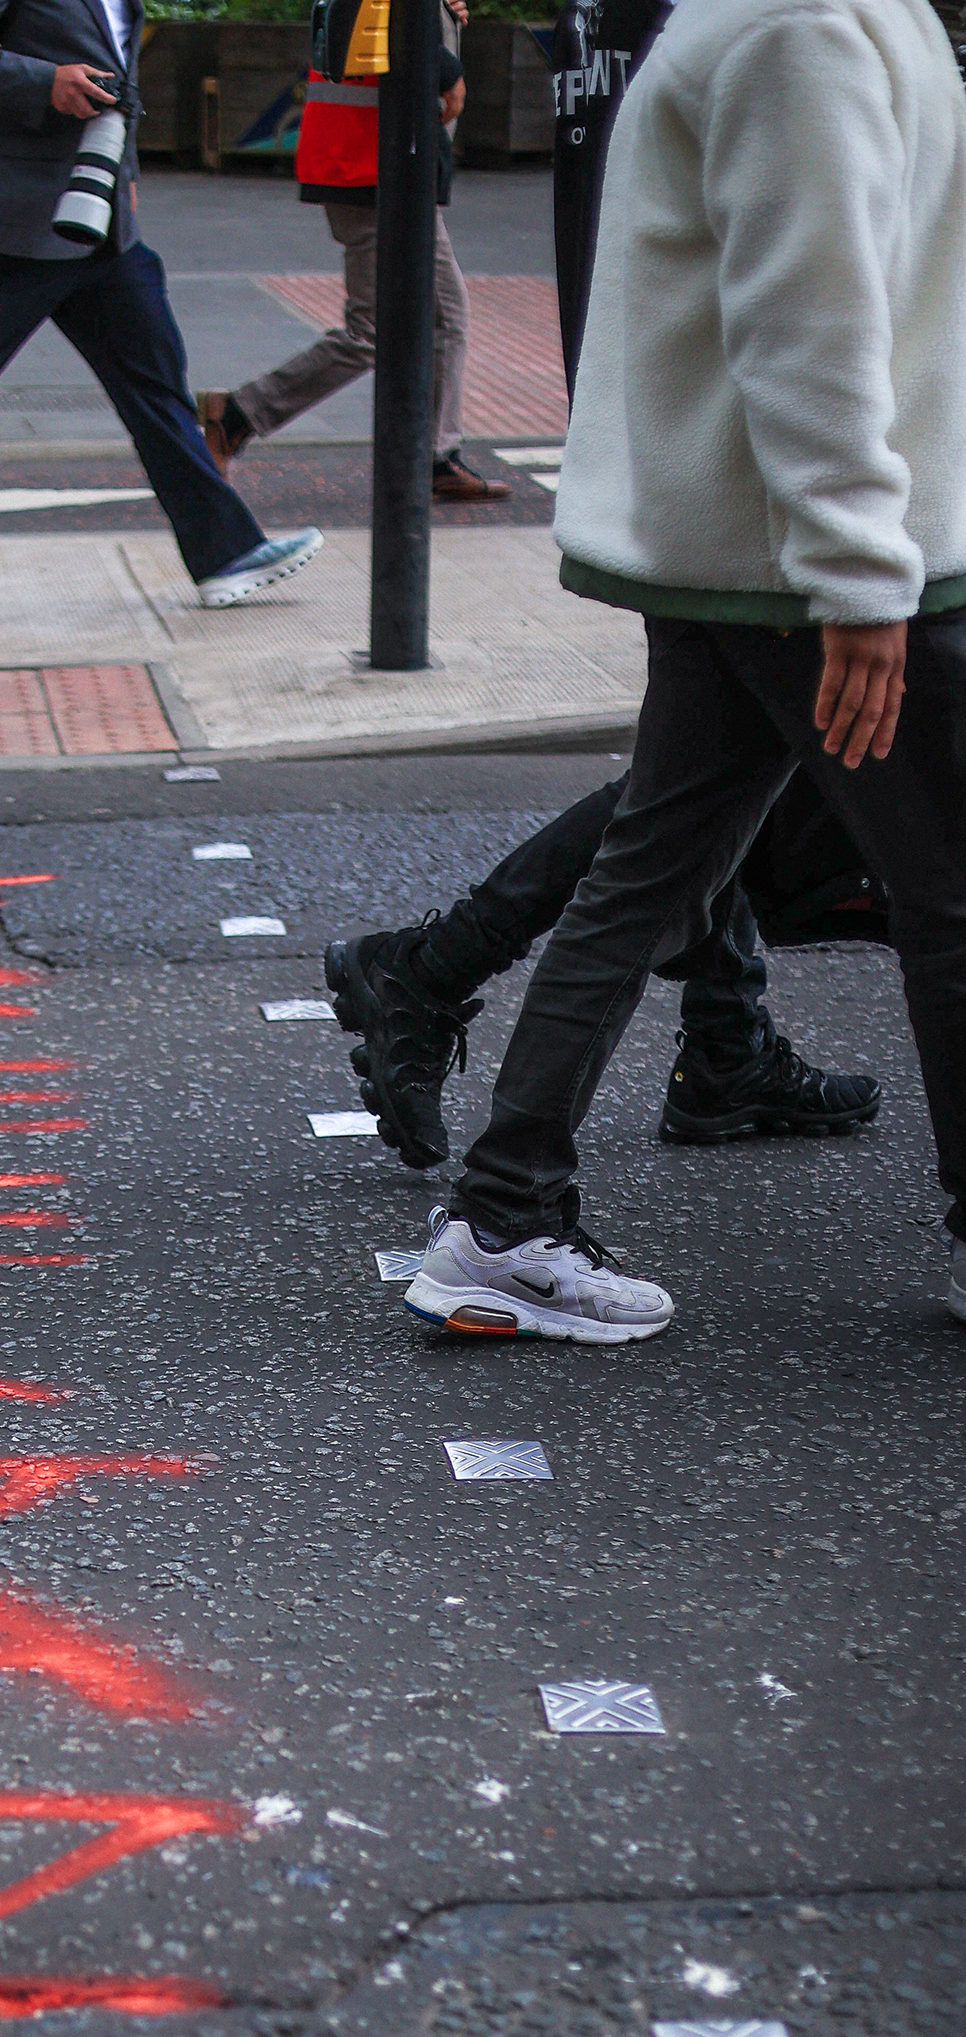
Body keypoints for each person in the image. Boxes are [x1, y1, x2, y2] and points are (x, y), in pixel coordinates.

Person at [400, 0, 966, 1346]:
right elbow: (805, 315)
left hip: (750, 549)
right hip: (800, 565)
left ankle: (502, 1221)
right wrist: (860, 577)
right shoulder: (803, 28)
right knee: (952, 894)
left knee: (651, 871)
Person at [319, 0, 881, 1169]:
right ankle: (490, 1095)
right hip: (749, 456)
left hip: (689, 431)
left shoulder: (655, 21)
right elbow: (803, 270)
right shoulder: (765, 28)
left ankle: (699, 1044)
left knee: (715, 776)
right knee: (729, 789)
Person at [0, 0, 321, 626]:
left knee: (155, 390)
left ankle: (226, 555)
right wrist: (44, 81)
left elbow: (116, 74)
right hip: (14, 217)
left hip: (98, 213)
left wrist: (124, 174)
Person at [196, 0, 508, 506]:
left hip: (378, 161)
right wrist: (445, 64)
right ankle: (237, 414)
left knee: (443, 315)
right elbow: (384, 17)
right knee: (376, 331)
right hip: (370, 163)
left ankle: (435, 456)